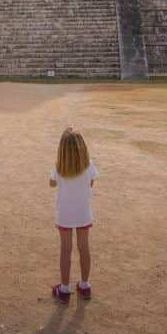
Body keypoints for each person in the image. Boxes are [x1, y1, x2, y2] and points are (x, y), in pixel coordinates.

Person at [49, 128, 98, 303]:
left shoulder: (58, 167)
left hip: (65, 215)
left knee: (66, 250)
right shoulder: (89, 165)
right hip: (83, 213)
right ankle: (85, 285)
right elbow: (91, 182)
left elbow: (51, 183)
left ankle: (64, 288)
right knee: (84, 247)